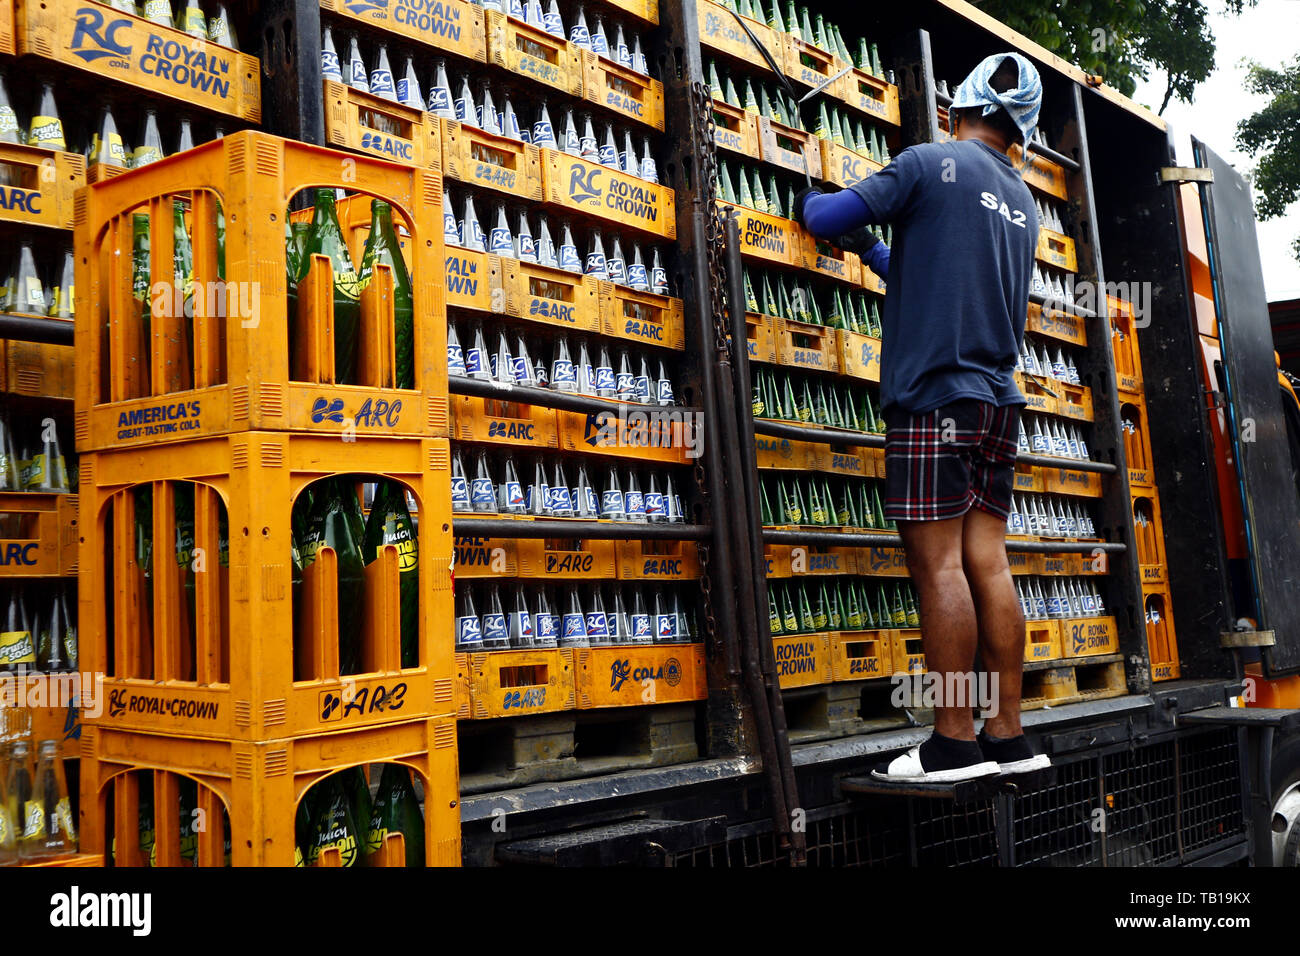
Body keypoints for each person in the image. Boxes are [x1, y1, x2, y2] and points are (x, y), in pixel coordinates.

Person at [795, 52, 1052, 782]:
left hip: (934, 399)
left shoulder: (925, 162)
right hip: (997, 404)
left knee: (938, 564)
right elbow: (945, 271)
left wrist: (818, 199)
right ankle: (1006, 735)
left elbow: (824, 216)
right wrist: (878, 252)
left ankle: (950, 742)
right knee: (988, 563)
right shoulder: (1022, 204)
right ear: (1020, 133)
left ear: (957, 110)